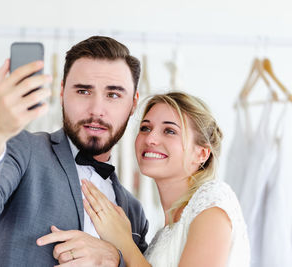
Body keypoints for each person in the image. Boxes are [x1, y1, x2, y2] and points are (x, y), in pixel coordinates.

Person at [0, 36, 149, 266]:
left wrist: (114, 258)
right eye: (83, 91)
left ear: (134, 103)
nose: (97, 110)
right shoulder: (24, 150)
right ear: (62, 92)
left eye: (113, 95)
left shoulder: (134, 212)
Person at [41, 92, 251, 266]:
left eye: (169, 131)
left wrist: (123, 243)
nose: (150, 138)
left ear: (202, 154)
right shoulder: (162, 232)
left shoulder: (212, 203)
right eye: (145, 128)